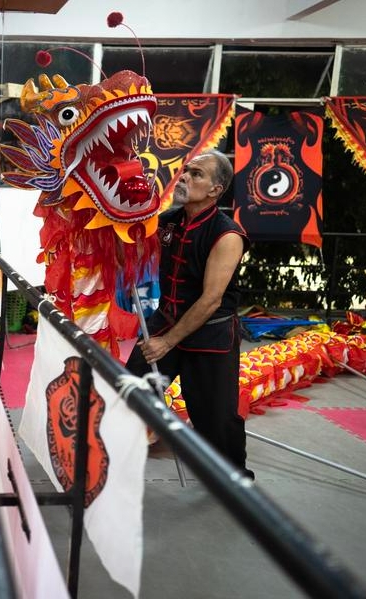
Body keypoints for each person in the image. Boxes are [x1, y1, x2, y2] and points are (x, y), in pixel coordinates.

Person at [125, 150, 253, 479]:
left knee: (216, 418)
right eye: (186, 172)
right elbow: (132, 248)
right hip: (165, 322)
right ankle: (113, 463)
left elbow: (211, 300)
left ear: (216, 189)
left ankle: (236, 484)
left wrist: (166, 342)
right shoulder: (168, 221)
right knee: (126, 391)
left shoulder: (227, 235)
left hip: (209, 334)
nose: (184, 178)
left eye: (196, 174)